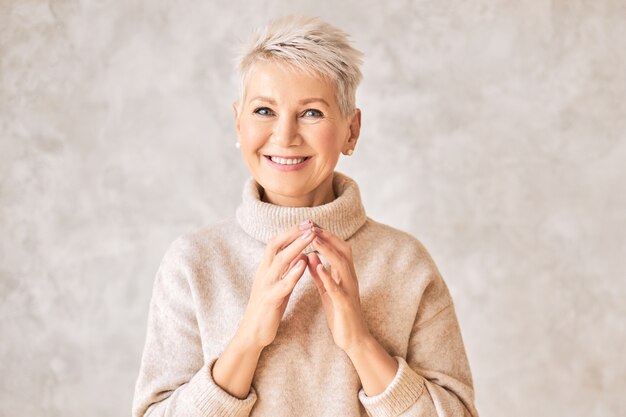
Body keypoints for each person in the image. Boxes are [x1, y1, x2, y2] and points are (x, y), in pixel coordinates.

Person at [132, 15, 479, 417]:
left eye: (312, 113)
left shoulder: (405, 264)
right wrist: (249, 338)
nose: (285, 135)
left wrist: (359, 341)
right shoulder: (192, 264)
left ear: (352, 130)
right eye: (264, 111)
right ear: (237, 124)